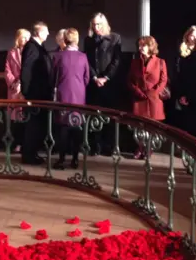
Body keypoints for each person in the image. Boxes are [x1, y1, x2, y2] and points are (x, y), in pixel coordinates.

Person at [83, 12, 122, 156]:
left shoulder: (115, 38)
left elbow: (116, 61)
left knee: (109, 116)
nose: (96, 27)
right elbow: (87, 60)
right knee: (94, 115)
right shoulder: (88, 40)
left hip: (109, 84)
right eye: (94, 24)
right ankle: (95, 146)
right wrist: (94, 77)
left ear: (104, 24)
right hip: (93, 83)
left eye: (99, 24)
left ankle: (109, 146)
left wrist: (105, 77)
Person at [52, 28, 89, 169]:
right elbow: (87, 78)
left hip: (63, 94)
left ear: (65, 40)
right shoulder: (83, 57)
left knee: (63, 128)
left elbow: (53, 77)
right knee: (77, 127)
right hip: (79, 95)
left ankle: (61, 159)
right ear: (77, 40)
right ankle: (75, 159)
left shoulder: (58, 56)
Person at [128, 36, 167, 159]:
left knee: (152, 127)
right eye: (139, 45)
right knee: (139, 126)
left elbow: (163, 79)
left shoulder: (160, 62)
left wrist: (155, 92)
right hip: (139, 98)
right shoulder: (135, 62)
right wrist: (137, 91)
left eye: (143, 45)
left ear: (150, 46)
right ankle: (140, 148)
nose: (140, 48)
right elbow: (129, 80)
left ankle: (149, 148)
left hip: (154, 99)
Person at [20, 21, 52, 165]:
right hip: (35, 92)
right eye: (46, 31)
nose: (48, 34)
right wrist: (26, 92)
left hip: (40, 92)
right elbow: (26, 70)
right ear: (39, 33)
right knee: (33, 125)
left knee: (38, 125)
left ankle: (33, 152)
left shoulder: (38, 47)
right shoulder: (32, 47)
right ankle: (29, 154)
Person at [4, 28, 31, 153]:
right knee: (15, 118)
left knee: (25, 117)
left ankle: (25, 143)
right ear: (18, 38)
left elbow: (29, 70)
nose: (25, 40)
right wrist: (13, 83)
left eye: (27, 37)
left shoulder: (31, 52)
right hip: (14, 89)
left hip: (25, 88)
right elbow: (7, 70)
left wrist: (21, 82)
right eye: (23, 37)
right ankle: (16, 143)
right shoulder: (12, 52)